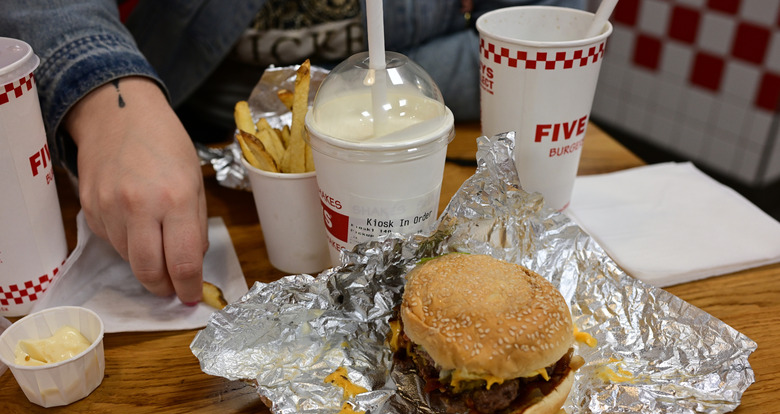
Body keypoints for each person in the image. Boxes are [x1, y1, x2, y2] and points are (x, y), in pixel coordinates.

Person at [1, 0, 584, 306]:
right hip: (179, 120)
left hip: (419, 95)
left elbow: (533, 24)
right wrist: (106, 92)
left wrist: (382, 80)